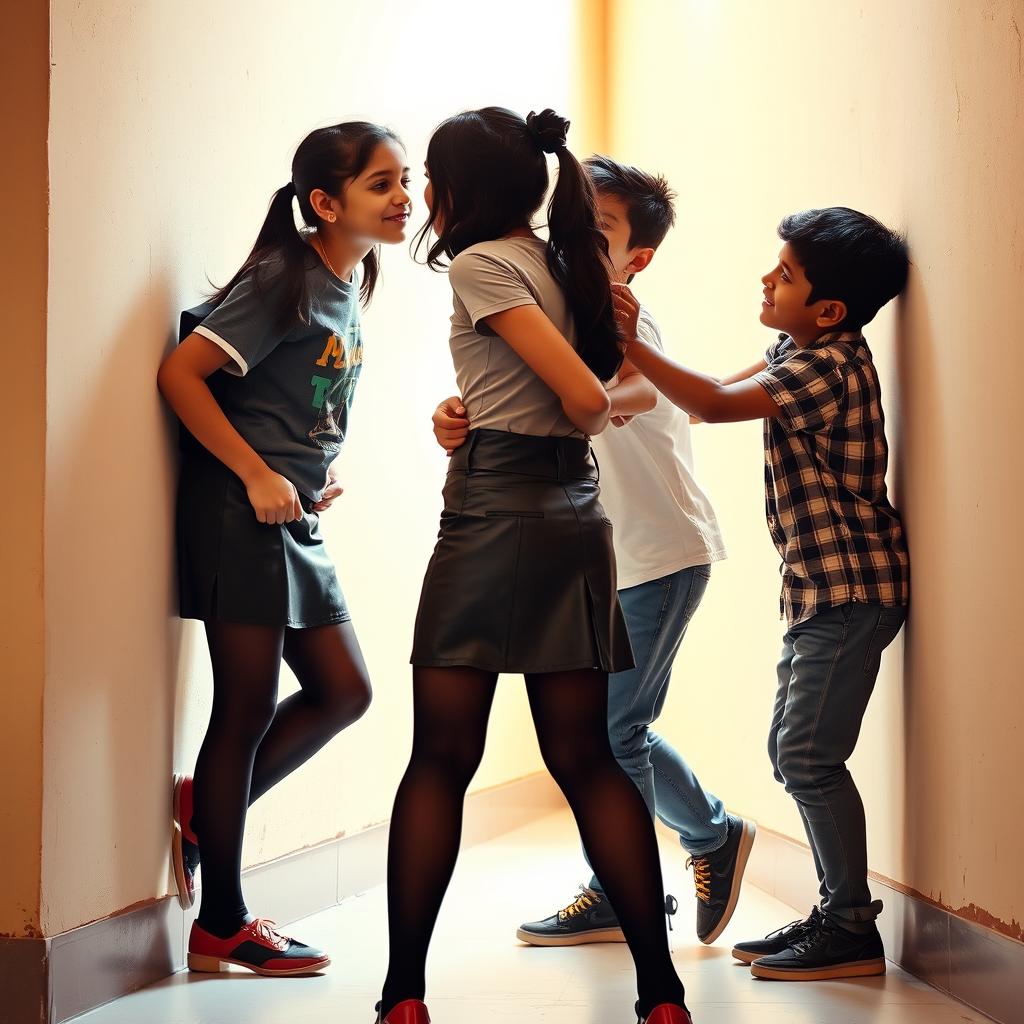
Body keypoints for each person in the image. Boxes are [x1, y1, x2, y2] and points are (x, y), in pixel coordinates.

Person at [376, 108, 692, 1024]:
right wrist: (467, 406)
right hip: (571, 516)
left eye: (428, 177)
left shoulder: (483, 263)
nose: (422, 194)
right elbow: (545, 382)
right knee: (588, 758)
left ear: (457, 190)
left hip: (492, 514)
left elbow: (589, 400)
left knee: (439, 758)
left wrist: (549, 407)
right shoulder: (566, 260)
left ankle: (403, 997)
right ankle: (662, 996)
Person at [432, 154, 754, 952]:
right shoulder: (549, 309)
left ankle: (631, 881)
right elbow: (506, 398)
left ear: (634, 259)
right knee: (619, 729)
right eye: (565, 222)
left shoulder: (621, 317)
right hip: (597, 557)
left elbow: (635, 393)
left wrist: (590, 394)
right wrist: (458, 418)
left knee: (614, 732)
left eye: (597, 229)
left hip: (660, 554)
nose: (571, 240)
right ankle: (708, 834)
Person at [614, 206, 910, 981]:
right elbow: (707, 389)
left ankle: (850, 926)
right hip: (823, 590)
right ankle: (834, 912)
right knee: (796, 753)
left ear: (830, 308)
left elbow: (710, 407)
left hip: (850, 590)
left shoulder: (828, 365)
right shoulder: (797, 347)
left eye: (784, 274)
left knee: (806, 757)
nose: (766, 278)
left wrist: (631, 344)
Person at [157, 121, 412, 977]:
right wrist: (259, 473)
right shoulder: (284, 279)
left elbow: (296, 398)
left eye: (402, 181)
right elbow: (182, 374)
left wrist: (303, 474)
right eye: (381, 184)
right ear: (324, 202)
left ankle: (205, 810)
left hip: (287, 513)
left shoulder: (349, 279)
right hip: (239, 513)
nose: (402, 197)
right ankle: (222, 921)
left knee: (344, 691)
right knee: (246, 708)